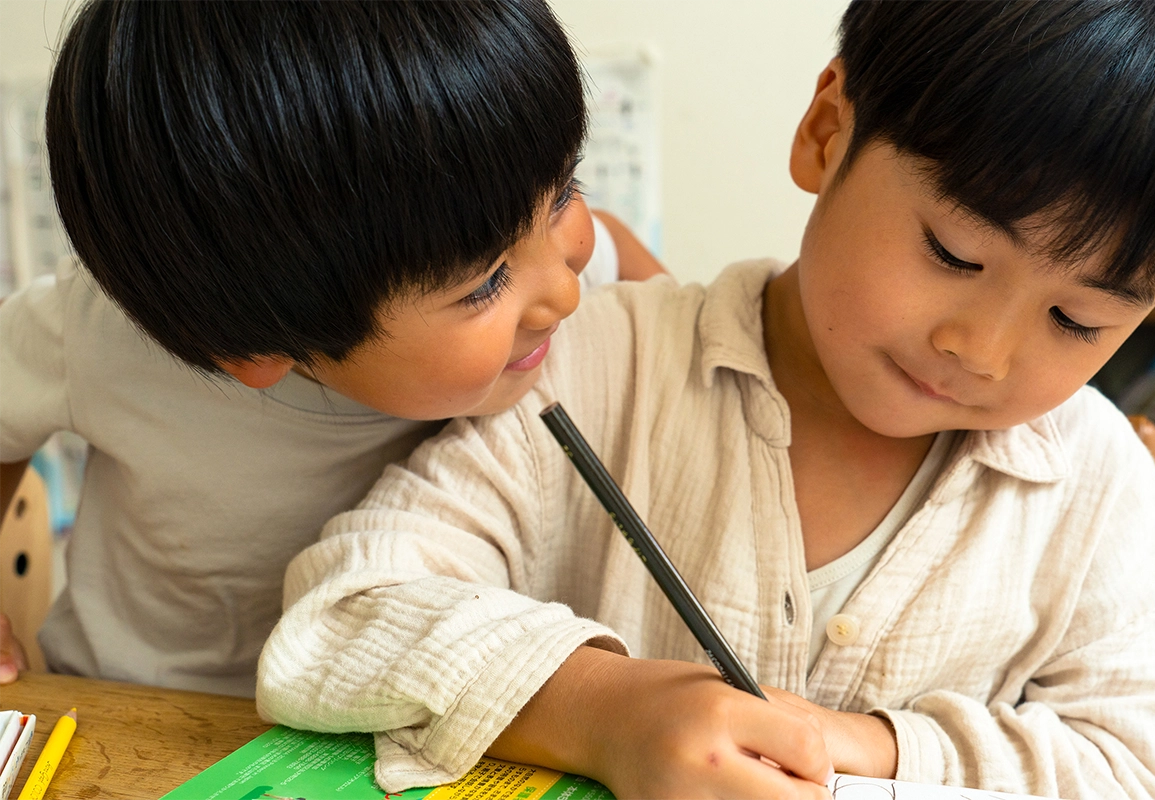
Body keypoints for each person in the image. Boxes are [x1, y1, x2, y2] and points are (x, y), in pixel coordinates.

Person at [257, 0, 1155, 798]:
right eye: (953, 255)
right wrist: (601, 714)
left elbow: (1151, 766)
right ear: (827, 131)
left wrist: (866, 748)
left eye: (1077, 320)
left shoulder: (1097, 482)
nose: (981, 352)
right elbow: (343, 616)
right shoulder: (590, 370)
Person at [0, 0, 664, 696]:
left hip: (431, 716)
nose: (564, 292)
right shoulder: (105, 340)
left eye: (563, 193)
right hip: (157, 720)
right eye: (487, 281)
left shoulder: (542, 268)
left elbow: (664, 323)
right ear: (255, 344)